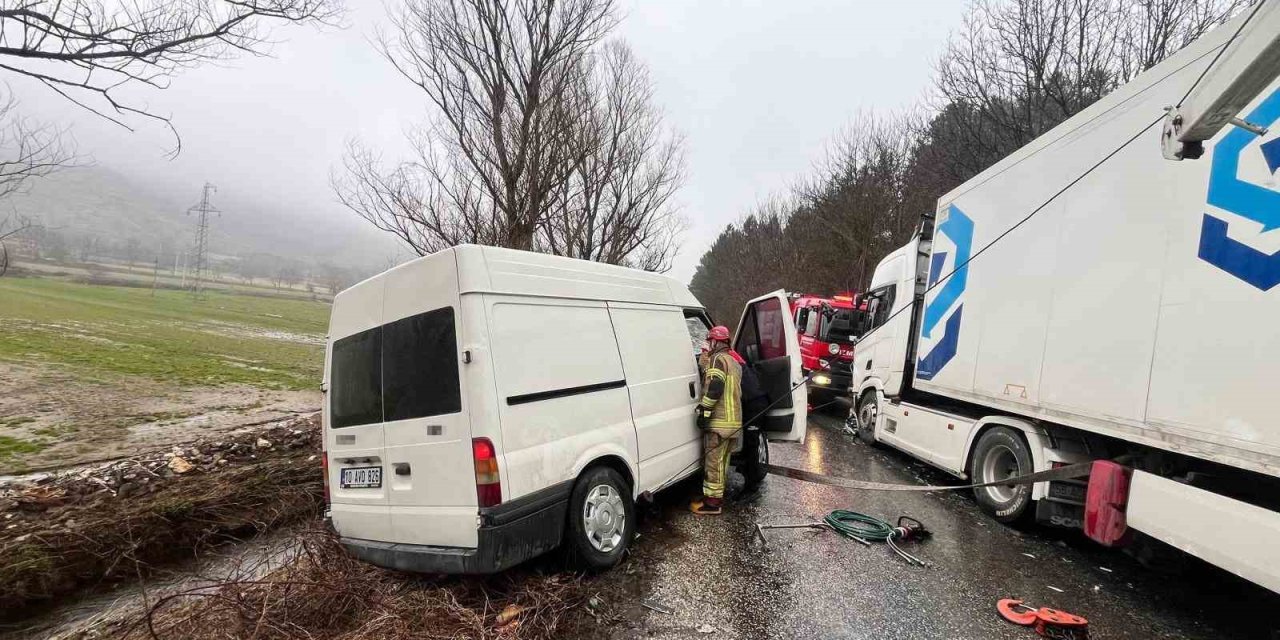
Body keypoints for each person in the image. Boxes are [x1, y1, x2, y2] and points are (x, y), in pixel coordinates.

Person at [691, 325, 742, 515]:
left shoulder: (717, 360)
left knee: (713, 463)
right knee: (722, 463)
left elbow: (715, 387)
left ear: (715, 341)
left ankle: (712, 504)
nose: (709, 345)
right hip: (734, 422)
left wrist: (704, 410)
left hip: (719, 423)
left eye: (710, 341)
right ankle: (715, 498)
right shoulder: (733, 362)